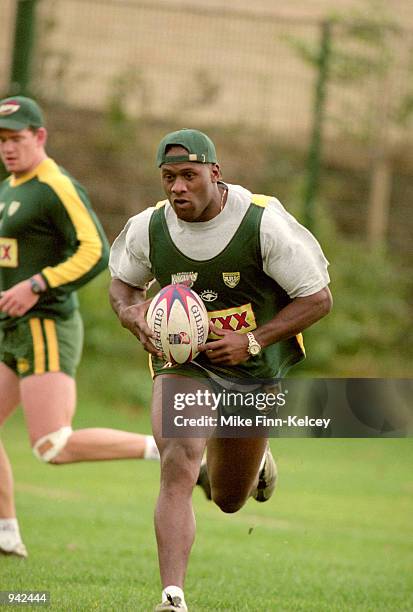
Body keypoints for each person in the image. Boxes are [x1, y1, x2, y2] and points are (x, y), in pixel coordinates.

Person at [109, 128, 332, 611]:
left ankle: (253, 461)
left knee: (231, 499)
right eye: (169, 177)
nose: (177, 188)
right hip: (183, 364)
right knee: (177, 459)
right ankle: (172, 597)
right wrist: (134, 317)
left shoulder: (262, 222)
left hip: (254, 366)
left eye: (189, 175)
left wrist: (252, 338)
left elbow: (317, 299)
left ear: (216, 173)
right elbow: (124, 287)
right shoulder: (150, 227)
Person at [0, 96, 160, 559]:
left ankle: (166, 446)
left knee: (52, 445)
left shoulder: (54, 185)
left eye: (17, 139)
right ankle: (6, 533)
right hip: (13, 329)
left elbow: (95, 250)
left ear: (40, 137)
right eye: (2, 141)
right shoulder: (11, 186)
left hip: (46, 325)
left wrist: (38, 284)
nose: (8, 148)